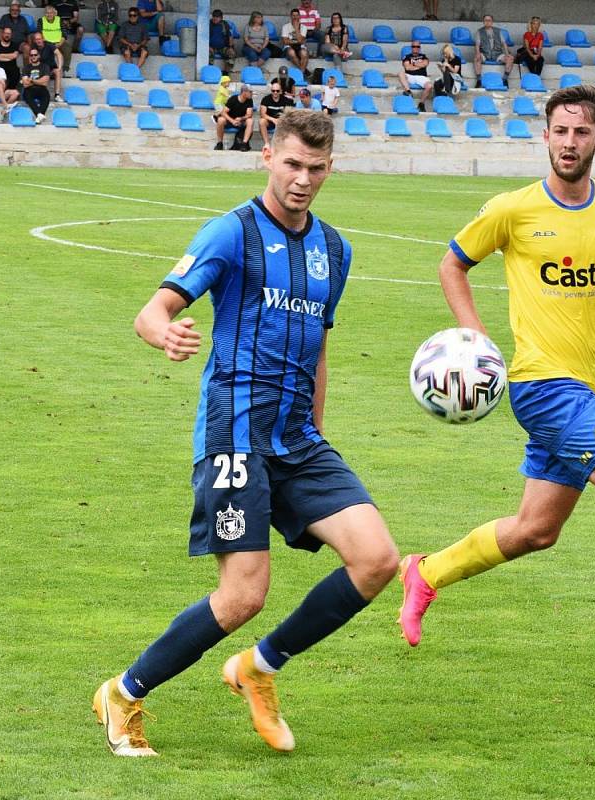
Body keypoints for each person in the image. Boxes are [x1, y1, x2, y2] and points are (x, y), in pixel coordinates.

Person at [93, 108, 398, 757]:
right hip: (234, 434)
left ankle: (260, 666)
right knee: (242, 596)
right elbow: (155, 309)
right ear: (268, 155)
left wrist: (317, 435)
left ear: (330, 169)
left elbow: (317, 351)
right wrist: (164, 333)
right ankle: (123, 692)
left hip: (299, 441)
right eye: (292, 164)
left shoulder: (334, 251)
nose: (302, 179)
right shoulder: (231, 232)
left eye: (315, 169)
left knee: (375, 559)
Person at [397, 84, 595, 677]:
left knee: (535, 530)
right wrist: (476, 339)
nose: (570, 143)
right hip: (542, 387)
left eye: (582, 132)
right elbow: (452, 262)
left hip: (586, 385)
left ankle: (424, 572)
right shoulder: (513, 208)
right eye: (560, 131)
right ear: (545, 136)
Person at [474, 14, 514, 88]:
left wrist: (507, 54)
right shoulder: (479, 31)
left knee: (510, 58)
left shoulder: (498, 31)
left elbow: (504, 43)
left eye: (489, 20)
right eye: (485, 20)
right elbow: (477, 44)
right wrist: (478, 53)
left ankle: (505, 79)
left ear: (492, 22)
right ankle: (479, 80)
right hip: (485, 54)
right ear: (483, 22)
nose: (487, 22)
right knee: (477, 58)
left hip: (497, 54)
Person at [214, 82, 255, 151]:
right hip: (230, 121)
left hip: (240, 122)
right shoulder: (233, 99)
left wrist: (241, 118)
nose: (252, 93)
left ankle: (244, 144)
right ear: (244, 92)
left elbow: (249, 114)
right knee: (221, 120)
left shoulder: (249, 100)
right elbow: (223, 112)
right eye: (250, 92)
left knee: (250, 121)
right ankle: (220, 143)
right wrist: (232, 121)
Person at [398, 40, 432, 113]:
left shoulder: (423, 56)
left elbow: (424, 64)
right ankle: (408, 91)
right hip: (409, 76)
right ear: (411, 47)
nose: (416, 48)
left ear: (420, 48)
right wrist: (418, 65)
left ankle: (421, 104)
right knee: (401, 73)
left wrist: (413, 64)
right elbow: (407, 67)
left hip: (421, 77)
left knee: (429, 86)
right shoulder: (407, 56)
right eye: (414, 46)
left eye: (418, 46)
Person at [38, 6, 72, 75]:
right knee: (46, 51)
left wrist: (60, 43)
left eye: (51, 13)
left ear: (54, 14)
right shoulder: (40, 20)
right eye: (47, 13)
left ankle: (65, 69)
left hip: (59, 42)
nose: (49, 15)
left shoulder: (59, 20)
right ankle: (46, 71)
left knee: (68, 48)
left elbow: (64, 34)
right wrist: (49, 44)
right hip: (47, 43)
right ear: (45, 14)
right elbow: (40, 33)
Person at [259, 80, 294, 147]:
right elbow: (262, 114)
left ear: (280, 91)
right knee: (261, 121)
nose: (275, 92)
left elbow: (288, 113)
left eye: (277, 91)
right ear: (271, 91)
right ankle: (267, 143)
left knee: (289, 122)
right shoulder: (266, 99)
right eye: (273, 91)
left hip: (281, 121)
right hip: (270, 121)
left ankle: (284, 145)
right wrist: (273, 119)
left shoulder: (285, 100)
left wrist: (280, 120)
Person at [20, 45, 50, 123]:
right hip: (29, 90)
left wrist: (32, 80)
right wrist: (40, 81)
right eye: (31, 55)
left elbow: (45, 82)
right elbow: (25, 84)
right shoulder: (26, 68)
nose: (33, 56)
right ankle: (39, 115)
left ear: (39, 55)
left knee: (46, 95)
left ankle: (39, 115)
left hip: (41, 89)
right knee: (26, 95)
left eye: (35, 55)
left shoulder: (45, 66)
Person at [30, 30, 62, 101]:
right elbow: (31, 58)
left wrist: (59, 67)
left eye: (39, 39)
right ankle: (39, 95)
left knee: (58, 72)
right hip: (40, 69)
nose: (38, 41)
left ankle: (57, 95)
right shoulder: (33, 47)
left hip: (51, 68)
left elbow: (58, 54)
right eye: (36, 39)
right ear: (34, 40)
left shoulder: (49, 45)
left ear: (43, 39)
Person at [0, 48, 20, 117]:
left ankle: (2, 113)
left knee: (15, 93)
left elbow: (3, 82)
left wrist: (0, 84)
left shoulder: (1, 70)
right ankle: (6, 105)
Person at [0, 26, 21, 91]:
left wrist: (1, 55)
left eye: (9, 34)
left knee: (16, 72)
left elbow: (14, 56)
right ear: (2, 34)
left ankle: (10, 90)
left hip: (12, 68)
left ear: (11, 35)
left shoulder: (14, 45)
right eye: (6, 33)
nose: (7, 35)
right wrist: (9, 57)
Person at [281, 7, 309, 76]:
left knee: (304, 53)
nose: (295, 17)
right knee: (291, 52)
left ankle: (301, 73)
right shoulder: (285, 26)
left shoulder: (304, 27)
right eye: (293, 15)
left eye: (297, 15)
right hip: (289, 47)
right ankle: (303, 72)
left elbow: (300, 41)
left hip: (300, 47)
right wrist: (296, 42)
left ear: (299, 16)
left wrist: (296, 29)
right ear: (290, 16)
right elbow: (285, 41)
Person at [208, 9, 236, 75]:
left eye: (217, 17)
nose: (215, 18)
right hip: (210, 47)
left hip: (223, 47)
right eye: (214, 16)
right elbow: (202, 37)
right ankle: (209, 72)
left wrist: (230, 47)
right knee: (207, 54)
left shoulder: (225, 24)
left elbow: (230, 36)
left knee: (232, 53)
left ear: (221, 18)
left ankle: (225, 73)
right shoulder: (208, 24)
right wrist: (207, 46)